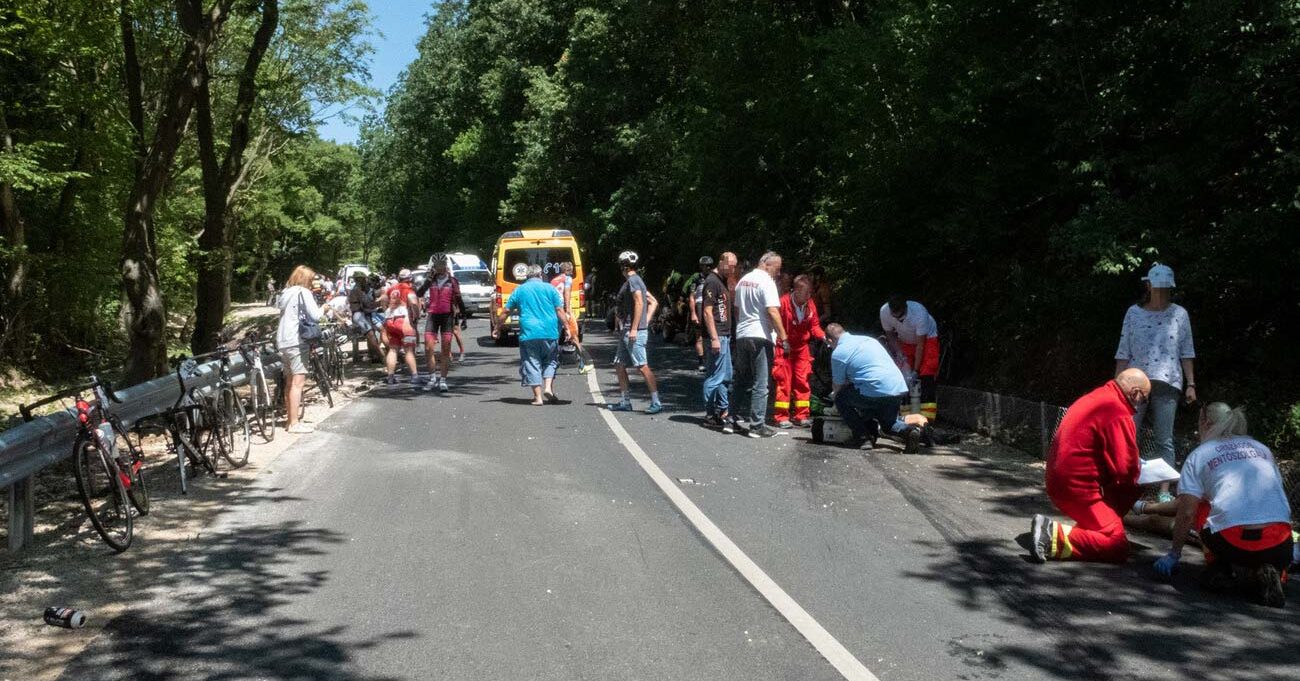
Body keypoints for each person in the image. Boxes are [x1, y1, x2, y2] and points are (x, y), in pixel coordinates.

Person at [1144, 403, 1292, 607]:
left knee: (1201, 505)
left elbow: (1187, 512)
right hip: (1281, 542)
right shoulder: (1262, 449)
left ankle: (1219, 567)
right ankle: (1271, 571)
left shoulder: (1201, 454)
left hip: (1232, 543)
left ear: (1206, 423)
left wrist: (1174, 554)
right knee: (1264, 531)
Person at [1030, 369, 1151, 563]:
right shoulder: (1117, 411)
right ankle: (1054, 536)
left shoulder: (1096, 397)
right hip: (1079, 488)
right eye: (1143, 399)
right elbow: (1125, 470)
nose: (1140, 404)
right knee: (1117, 544)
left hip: (1060, 480)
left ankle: (1089, 531)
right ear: (1135, 392)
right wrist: (1142, 483)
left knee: (1110, 519)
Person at [1115, 263, 1196, 503]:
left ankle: (1163, 491)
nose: (1160, 292)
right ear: (1148, 286)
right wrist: (1116, 387)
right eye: (1156, 287)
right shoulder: (1133, 313)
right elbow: (1123, 350)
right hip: (1134, 384)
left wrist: (1191, 383)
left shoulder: (1179, 314)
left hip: (1167, 381)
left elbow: (1186, 350)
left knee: (1164, 439)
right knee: (1129, 434)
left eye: (1165, 288)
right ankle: (1126, 484)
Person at [825, 323, 921, 451]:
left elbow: (838, 385)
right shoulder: (869, 340)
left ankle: (863, 437)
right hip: (896, 388)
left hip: (872, 390)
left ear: (830, 340)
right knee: (888, 425)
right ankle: (909, 432)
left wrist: (835, 404)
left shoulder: (839, 353)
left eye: (829, 344)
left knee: (842, 399)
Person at [731, 252, 790, 438]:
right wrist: (784, 337)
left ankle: (730, 419)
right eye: (777, 269)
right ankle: (756, 425)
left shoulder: (744, 280)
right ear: (766, 264)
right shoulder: (767, 282)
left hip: (742, 335)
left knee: (740, 379)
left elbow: (736, 309)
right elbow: (772, 311)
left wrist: (741, 328)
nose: (778, 274)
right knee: (761, 383)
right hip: (760, 336)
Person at [502, 264, 566, 405]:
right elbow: (559, 309)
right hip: (550, 331)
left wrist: (497, 326)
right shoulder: (550, 288)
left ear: (527, 276)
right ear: (540, 275)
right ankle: (548, 387)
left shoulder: (519, 290)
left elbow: (506, 311)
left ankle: (538, 398)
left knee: (532, 362)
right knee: (551, 360)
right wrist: (567, 327)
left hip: (529, 333)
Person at [610, 251, 663, 414]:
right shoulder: (635, 281)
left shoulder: (633, 281)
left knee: (642, 366)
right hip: (627, 330)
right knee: (619, 364)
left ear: (623, 266)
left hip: (632, 332)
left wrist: (635, 328)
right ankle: (625, 401)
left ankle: (656, 402)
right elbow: (653, 302)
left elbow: (640, 302)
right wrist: (645, 321)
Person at [772, 275, 826, 428]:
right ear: (796, 290)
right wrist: (781, 341)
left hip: (802, 348)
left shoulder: (810, 305)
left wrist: (823, 337)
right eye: (807, 292)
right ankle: (781, 417)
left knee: (802, 381)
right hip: (785, 347)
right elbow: (774, 324)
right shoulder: (783, 302)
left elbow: (814, 326)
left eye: (810, 292)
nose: (810, 296)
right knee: (784, 382)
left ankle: (801, 415)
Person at [276, 265, 324, 434]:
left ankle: (290, 420)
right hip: (297, 340)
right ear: (306, 279)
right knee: (298, 382)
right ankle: (295, 423)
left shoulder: (285, 293)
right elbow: (316, 315)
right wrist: (326, 307)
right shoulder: (304, 293)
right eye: (311, 280)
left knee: (289, 382)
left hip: (283, 340)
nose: (312, 283)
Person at [880, 296, 940, 421]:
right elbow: (890, 336)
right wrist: (900, 355)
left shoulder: (919, 313)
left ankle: (927, 418)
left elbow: (920, 345)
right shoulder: (884, 312)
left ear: (906, 308)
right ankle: (907, 416)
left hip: (927, 339)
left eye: (901, 317)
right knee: (902, 376)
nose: (898, 320)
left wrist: (916, 370)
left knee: (927, 373)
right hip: (904, 340)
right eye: (895, 317)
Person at [701, 253, 737, 432]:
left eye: (734, 267)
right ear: (721, 262)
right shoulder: (712, 281)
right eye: (730, 266)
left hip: (725, 335)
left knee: (726, 376)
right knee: (715, 377)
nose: (732, 270)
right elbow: (708, 311)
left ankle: (724, 411)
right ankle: (709, 414)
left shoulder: (722, 281)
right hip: (717, 336)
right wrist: (714, 337)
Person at [416, 255, 462, 393]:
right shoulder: (431, 280)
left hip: (447, 316)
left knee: (445, 349)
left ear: (445, 265)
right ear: (434, 267)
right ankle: (432, 378)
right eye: (437, 265)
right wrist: (428, 281)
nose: (439, 267)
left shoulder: (452, 281)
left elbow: (459, 299)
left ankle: (443, 380)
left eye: (442, 264)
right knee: (428, 348)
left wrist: (463, 316)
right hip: (433, 316)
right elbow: (419, 293)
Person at [550, 262, 591, 374]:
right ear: (568, 270)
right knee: (574, 337)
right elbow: (567, 294)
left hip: (554, 311)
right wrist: (568, 311)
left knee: (555, 338)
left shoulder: (554, 280)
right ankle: (582, 365)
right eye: (572, 270)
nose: (572, 272)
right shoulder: (567, 279)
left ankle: (551, 364)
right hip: (563, 309)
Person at [381, 287, 420, 386]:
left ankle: (390, 377)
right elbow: (414, 303)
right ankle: (415, 376)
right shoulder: (407, 289)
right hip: (404, 320)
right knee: (409, 350)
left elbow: (383, 300)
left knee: (393, 350)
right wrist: (416, 316)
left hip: (390, 319)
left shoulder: (390, 290)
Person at [684, 256, 714, 373]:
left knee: (712, 334)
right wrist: (693, 314)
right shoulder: (696, 278)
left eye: (709, 266)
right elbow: (691, 297)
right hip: (699, 305)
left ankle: (712, 359)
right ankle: (701, 361)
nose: (707, 268)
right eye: (705, 266)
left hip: (712, 306)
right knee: (699, 335)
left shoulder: (714, 277)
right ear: (701, 266)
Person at [348, 272, 383, 362]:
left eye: (364, 278)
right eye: (362, 279)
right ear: (358, 280)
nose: (364, 280)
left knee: (373, 334)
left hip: (366, 313)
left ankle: (374, 356)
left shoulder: (363, 289)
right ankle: (382, 356)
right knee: (371, 334)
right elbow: (366, 303)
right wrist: (377, 303)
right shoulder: (357, 290)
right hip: (359, 314)